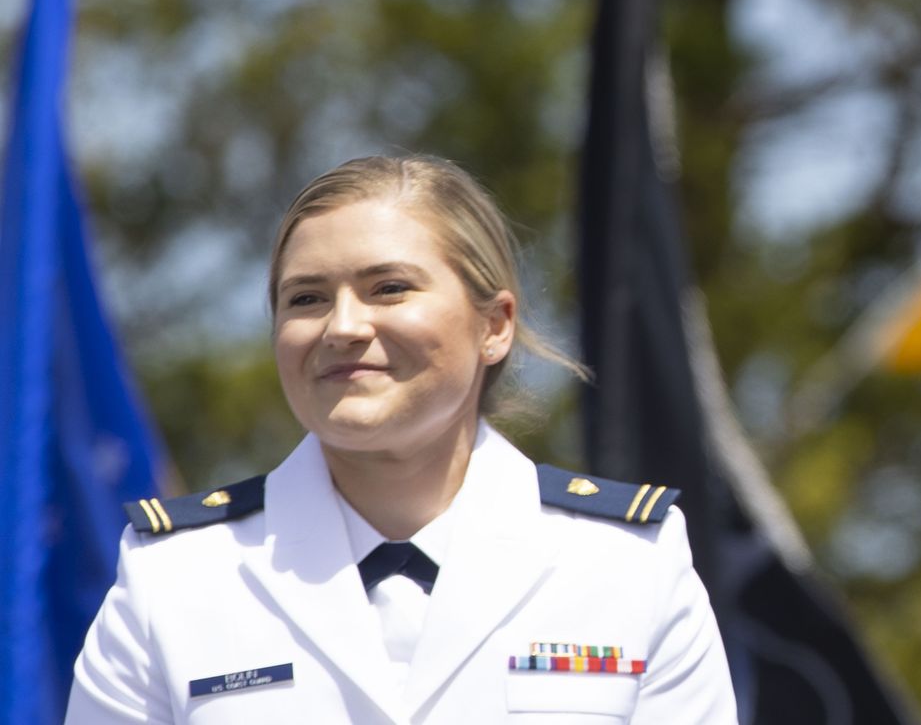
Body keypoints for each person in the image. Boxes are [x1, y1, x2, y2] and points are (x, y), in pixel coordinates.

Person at [67, 156, 737, 723]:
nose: (343, 327)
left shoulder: (627, 565)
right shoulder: (175, 578)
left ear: (496, 325)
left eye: (389, 288)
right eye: (305, 299)